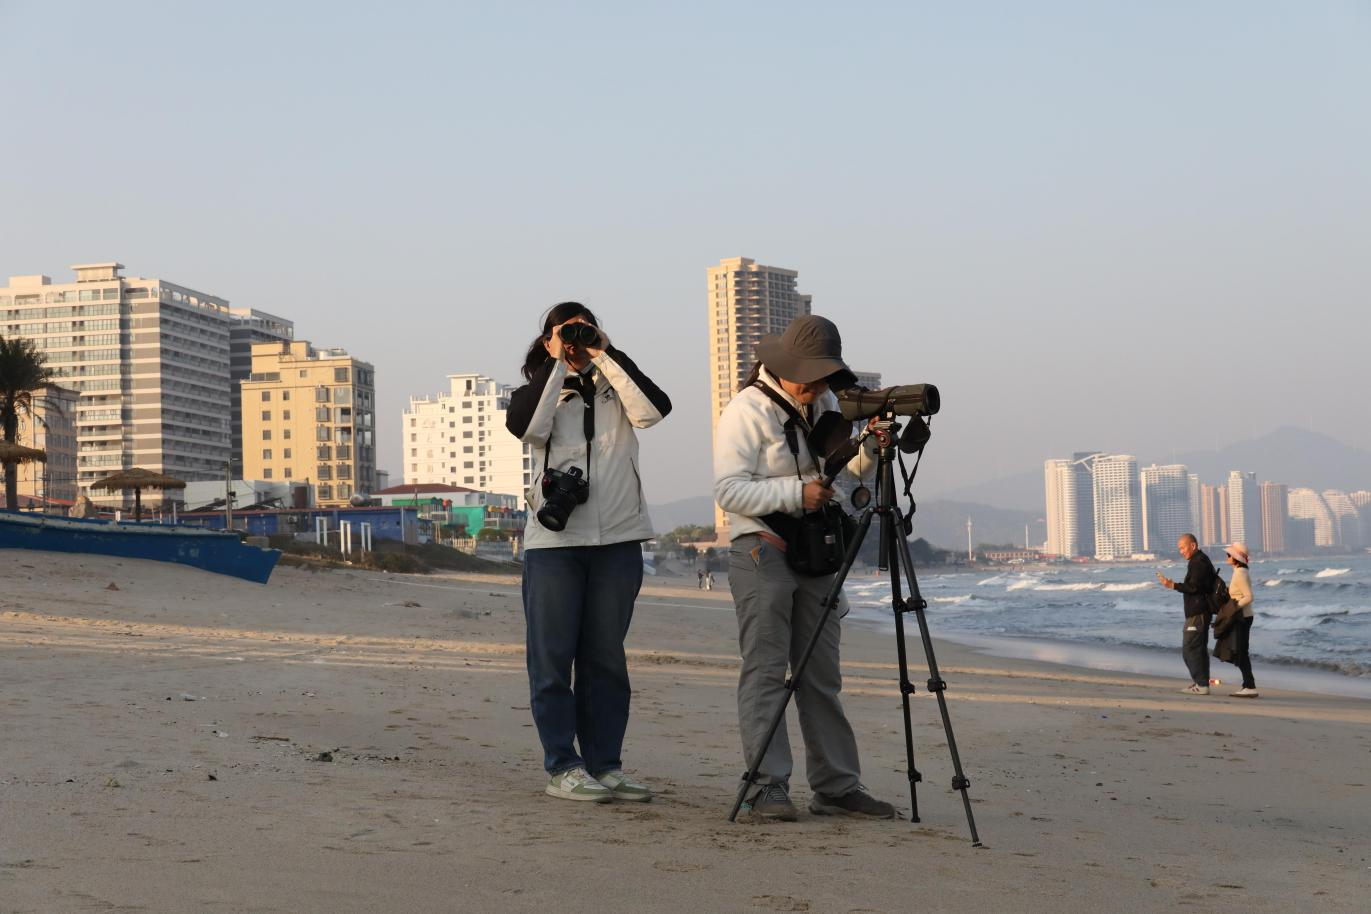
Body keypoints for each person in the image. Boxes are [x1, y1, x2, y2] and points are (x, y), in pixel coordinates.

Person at [714, 314, 894, 822]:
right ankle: (766, 787)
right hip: (761, 548)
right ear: (784, 365)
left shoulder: (828, 404)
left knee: (821, 677)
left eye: (821, 378)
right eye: (807, 377)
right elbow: (728, 491)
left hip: (815, 554)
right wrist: (795, 492)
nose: (814, 387)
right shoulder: (746, 411)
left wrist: (871, 453)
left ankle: (837, 787)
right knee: (766, 672)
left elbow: (834, 484)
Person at [506, 301, 672, 803]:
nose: (577, 342)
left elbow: (653, 411)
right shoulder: (540, 391)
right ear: (549, 340)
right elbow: (527, 428)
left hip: (618, 540)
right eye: (566, 334)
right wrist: (557, 360)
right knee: (552, 660)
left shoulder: (614, 385)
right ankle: (563, 766)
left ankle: (607, 765)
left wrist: (604, 353)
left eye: (583, 332)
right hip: (555, 544)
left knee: (605, 661)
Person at [1156, 533, 1217, 695]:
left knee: (1190, 649)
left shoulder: (1198, 562)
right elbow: (1195, 586)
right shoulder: (1199, 561)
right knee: (1198, 650)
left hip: (1198, 614)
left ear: (1193, 546)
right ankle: (1201, 683)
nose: (1181, 551)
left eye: (1183, 548)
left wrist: (1172, 585)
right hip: (1199, 613)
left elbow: (1194, 587)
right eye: (1179, 549)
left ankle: (1202, 685)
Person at [1222, 543, 1258, 698]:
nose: (1227, 557)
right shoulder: (1239, 571)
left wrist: (1234, 607)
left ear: (1236, 558)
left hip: (1242, 617)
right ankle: (1247, 685)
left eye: (1229, 555)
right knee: (1240, 651)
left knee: (1241, 652)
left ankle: (1250, 686)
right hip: (1243, 616)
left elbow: (1249, 597)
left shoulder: (1240, 573)